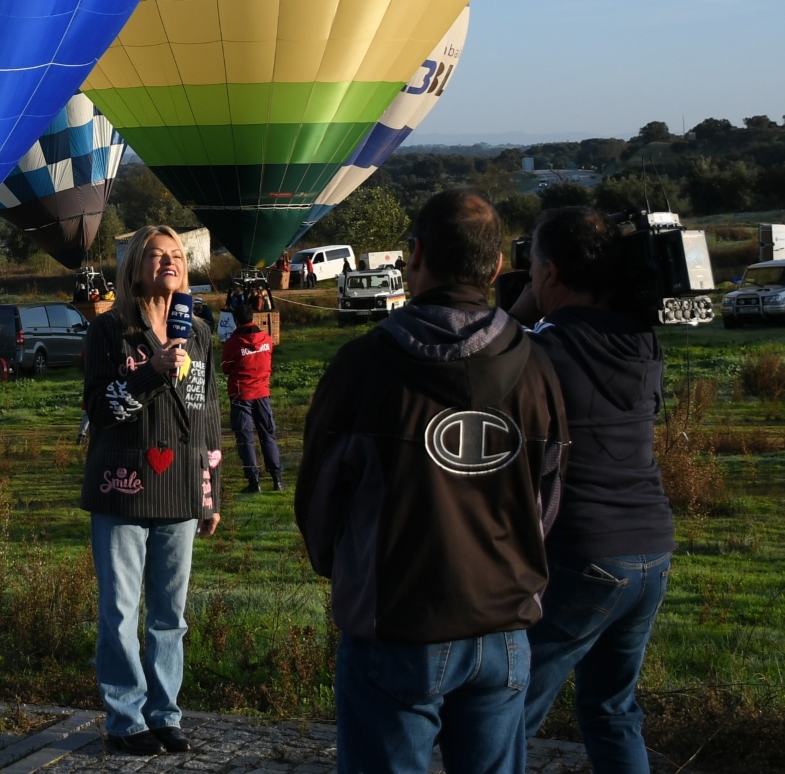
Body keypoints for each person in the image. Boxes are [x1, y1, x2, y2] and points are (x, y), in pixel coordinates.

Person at [297, 188, 569, 774]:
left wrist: (342, 568)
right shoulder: (537, 367)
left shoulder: (363, 367)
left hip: (395, 620)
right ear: (496, 267)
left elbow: (318, 501)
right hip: (504, 623)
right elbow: (547, 498)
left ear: (414, 256)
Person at [506, 208, 674, 774]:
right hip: (651, 548)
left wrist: (521, 313)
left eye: (532, 270)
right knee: (610, 708)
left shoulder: (542, 349)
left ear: (550, 273)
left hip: (585, 555)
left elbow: (490, 371)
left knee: (510, 713)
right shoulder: (642, 342)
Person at [80, 224, 223, 756]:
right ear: (135, 267)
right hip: (122, 486)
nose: (170, 262)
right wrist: (151, 372)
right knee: (119, 610)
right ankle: (125, 719)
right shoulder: (110, 331)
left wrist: (212, 493)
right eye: (157, 255)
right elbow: (98, 411)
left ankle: (165, 714)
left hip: (181, 487)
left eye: (177, 255)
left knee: (170, 614)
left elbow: (208, 417)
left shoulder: (201, 335)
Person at [222, 304, 284, 493]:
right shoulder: (266, 339)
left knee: (245, 438)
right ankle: (277, 479)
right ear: (253, 318)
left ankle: (253, 481)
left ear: (236, 321)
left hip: (241, 395)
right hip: (263, 393)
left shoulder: (233, 343)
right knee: (268, 435)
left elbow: (225, 367)